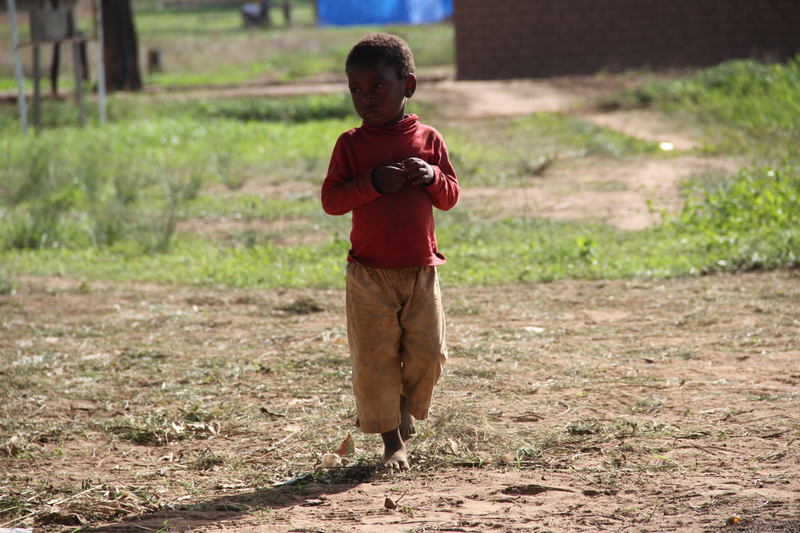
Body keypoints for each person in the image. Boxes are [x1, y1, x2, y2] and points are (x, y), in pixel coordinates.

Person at [321, 33, 460, 470]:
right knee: (374, 360)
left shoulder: (429, 139)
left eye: (378, 85)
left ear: (408, 86)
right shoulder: (350, 145)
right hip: (369, 274)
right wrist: (372, 183)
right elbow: (332, 201)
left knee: (429, 352)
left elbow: (450, 196)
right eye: (356, 89)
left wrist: (432, 175)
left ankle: (404, 406)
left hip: (421, 270)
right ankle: (391, 442)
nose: (366, 97)